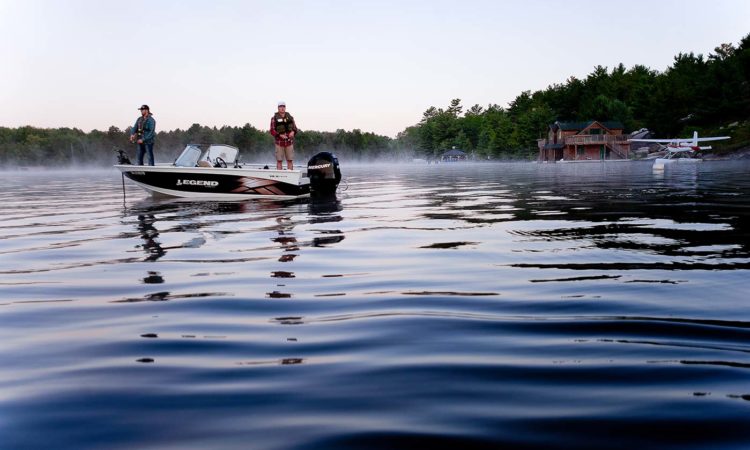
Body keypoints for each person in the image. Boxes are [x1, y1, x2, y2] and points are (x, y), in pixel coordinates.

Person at [270, 101, 298, 170]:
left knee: (290, 160)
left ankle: (290, 177)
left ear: (285, 108)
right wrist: (280, 135)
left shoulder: (290, 118)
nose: (282, 108)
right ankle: (279, 177)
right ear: (278, 108)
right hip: (279, 143)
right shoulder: (274, 118)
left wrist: (293, 132)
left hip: (289, 143)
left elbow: (295, 128)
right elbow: (272, 130)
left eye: (283, 107)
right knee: (279, 160)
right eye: (280, 107)